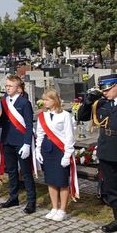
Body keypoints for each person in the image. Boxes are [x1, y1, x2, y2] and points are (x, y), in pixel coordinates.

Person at [78, 74, 117, 233]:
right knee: (112, 189)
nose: (104, 93)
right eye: (103, 90)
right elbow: (82, 117)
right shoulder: (101, 103)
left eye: (107, 89)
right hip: (106, 151)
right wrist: (88, 101)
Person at [0, 75, 36, 214]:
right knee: (12, 171)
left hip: (20, 142)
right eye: (6, 86)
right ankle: (13, 197)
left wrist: (27, 143)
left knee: (26, 173)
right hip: (7, 140)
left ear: (18, 88)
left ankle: (31, 202)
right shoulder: (3, 102)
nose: (7, 88)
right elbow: (1, 121)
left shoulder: (24, 103)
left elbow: (28, 125)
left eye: (10, 86)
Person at [35, 89, 76, 221]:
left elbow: (69, 136)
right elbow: (40, 133)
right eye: (44, 99)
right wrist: (38, 149)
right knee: (51, 180)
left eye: (47, 99)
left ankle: (62, 209)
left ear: (55, 100)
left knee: (62, 181)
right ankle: (54, 207)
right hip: (47, 149)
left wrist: (67, 154)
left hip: (60, 150)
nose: (44, 102)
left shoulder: (64, 115)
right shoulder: (43, 116)